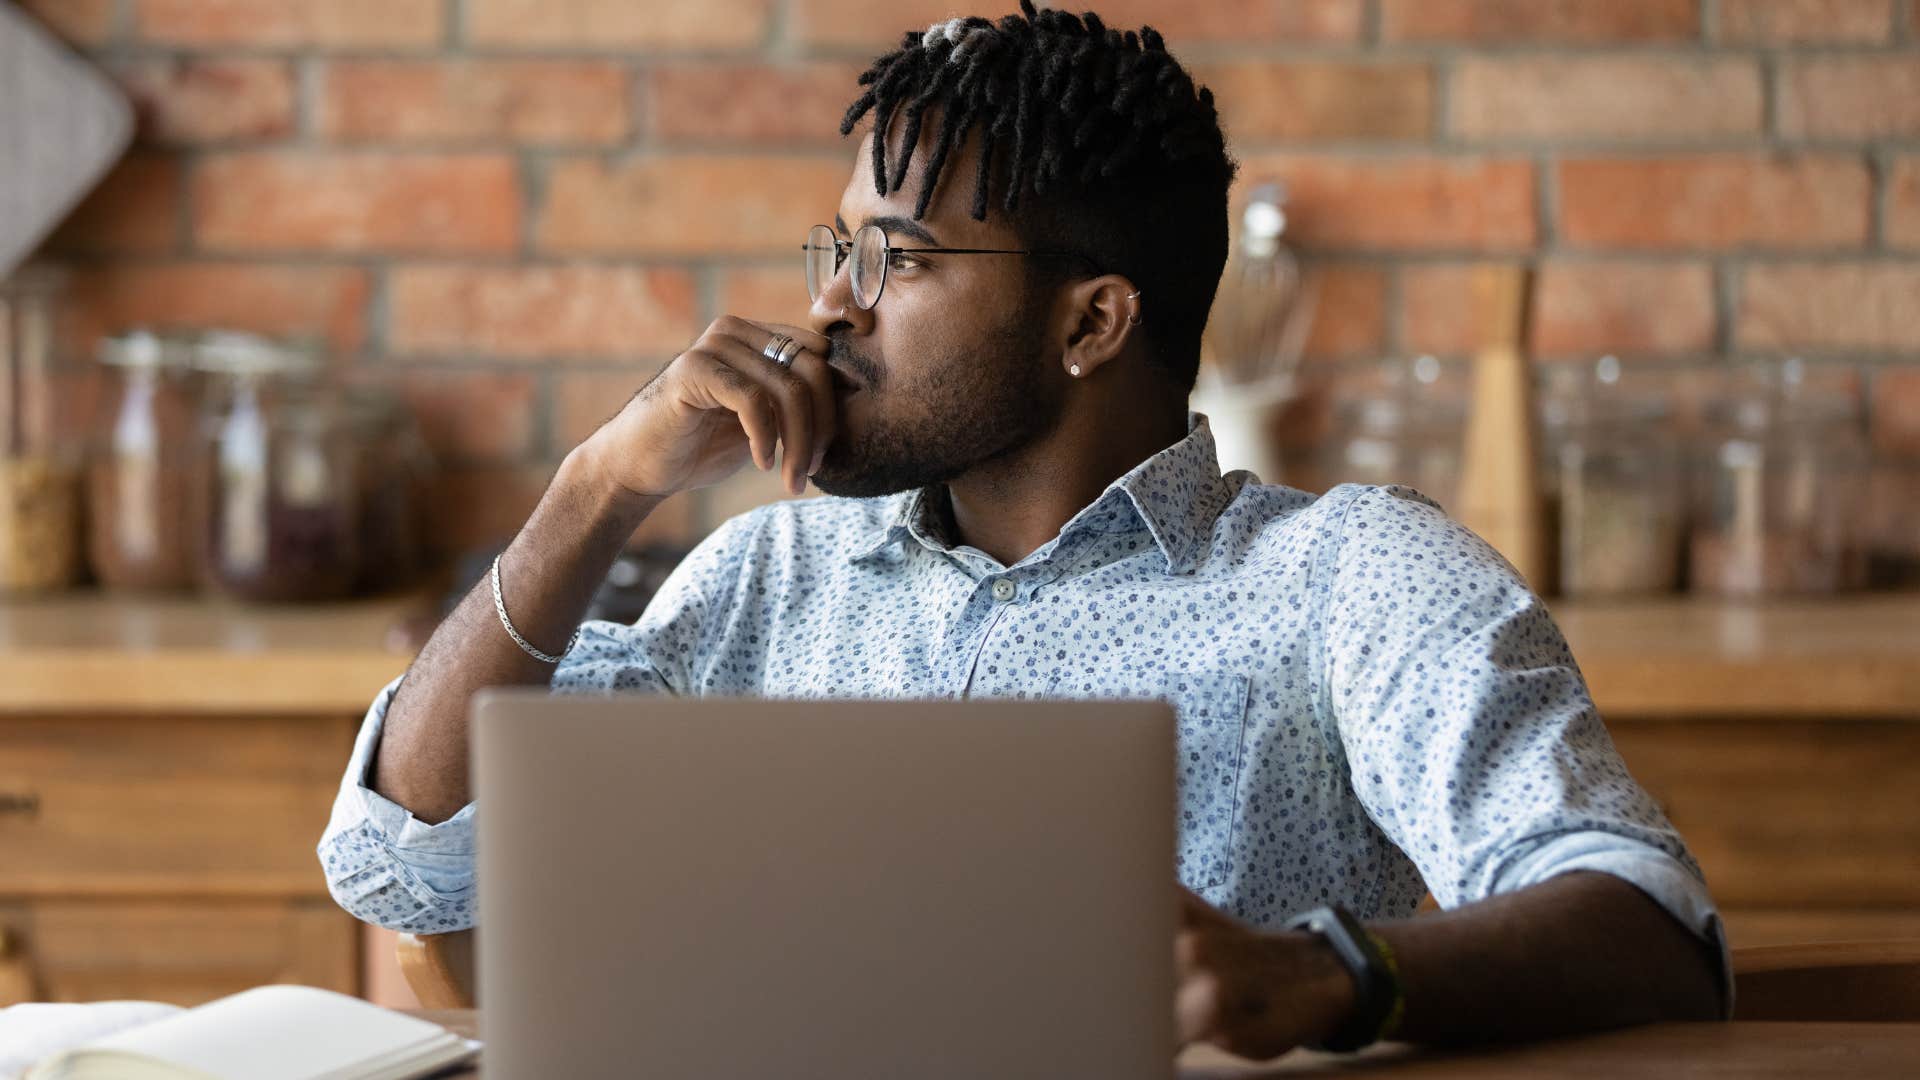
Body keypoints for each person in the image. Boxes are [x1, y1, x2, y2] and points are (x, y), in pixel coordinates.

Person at [319, 1, 1728, 1059]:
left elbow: (1648, 918)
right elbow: (409, 865)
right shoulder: (766, 575)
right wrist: (595, 490)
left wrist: (1321, 974)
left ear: (1090, 321)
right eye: (839, 251)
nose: (830, 309)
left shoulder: (1347, 579)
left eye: (902, 260)